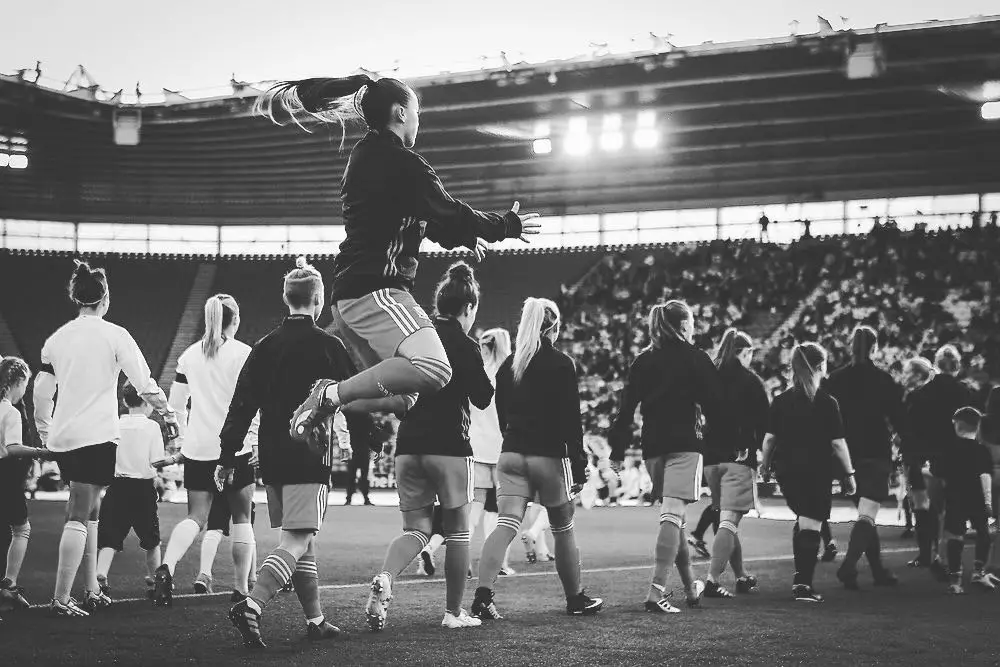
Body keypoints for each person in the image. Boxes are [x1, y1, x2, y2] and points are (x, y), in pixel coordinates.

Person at [252, 75, 540, 446]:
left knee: (405, 398)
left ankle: (327, 406)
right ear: (401, 112)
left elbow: (429, 222)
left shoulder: (367, 156)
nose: (419, 121)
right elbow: (449, 212)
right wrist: (506, 225)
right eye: (417, 112)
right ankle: (329, 395)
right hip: (378, 290)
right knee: (435, 368)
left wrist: (468, 235)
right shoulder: (404, 163)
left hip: (351, 295)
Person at [221, 258, 378, 649]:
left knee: (302, 539)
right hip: (309, 454)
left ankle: (316, 619)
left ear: (286, 299)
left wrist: (227, 453)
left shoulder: (264, 346)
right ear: (319, 300)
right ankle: (252, 605)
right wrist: (366, 439)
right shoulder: (329, 346)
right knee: (296, 539)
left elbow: (241, 404)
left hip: (272, 457)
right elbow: (352, 396)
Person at [33, 260, 178, 617]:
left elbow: (40, 393)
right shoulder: (116, 335)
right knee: (80, 514)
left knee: (91, 512)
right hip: (96, 436)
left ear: (76, 297)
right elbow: (144, 383)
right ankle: (61, 598)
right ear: (105, 298)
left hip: (66, 436)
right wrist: (169, 414)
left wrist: (45, 431)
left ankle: (92, 588)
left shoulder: (57, 339)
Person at [364, 262, 494, 631]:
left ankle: (387, 576)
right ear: (468, 309)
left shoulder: (415, 338)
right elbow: (483, 397)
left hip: (409, 446)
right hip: (450, 447)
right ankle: (454, 613)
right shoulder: (466, 345)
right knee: (458, 533)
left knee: (416, 530)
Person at [473, 298, 603, 619]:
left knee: (505, 525)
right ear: (553, 327)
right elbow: (572, 421)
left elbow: (502, 416)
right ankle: (575, 599)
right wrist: (579, 463)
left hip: (512, 454)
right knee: (562, 528)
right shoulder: (561, 364)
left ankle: (483, 596)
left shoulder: (509, 366)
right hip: (549, 457)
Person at [608, 300, 721, 613]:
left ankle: (690, 589)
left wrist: (617, 450)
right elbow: (716, 405)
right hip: (686, 445)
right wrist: (731, 442)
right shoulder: (696, 358)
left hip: (653, 449)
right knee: (672, 515)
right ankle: (656, 592)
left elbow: (626, 407)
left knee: (677, 520)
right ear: (685, 325)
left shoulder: (643, 361)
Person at [153, 294, 258, 606]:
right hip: (235, 447)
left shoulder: (189, 356)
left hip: (199, 447)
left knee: (196, 516)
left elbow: (175, 407)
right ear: (235, 320)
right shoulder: (244, 354)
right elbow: (254, 405)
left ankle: (167, 567)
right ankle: (241, 589)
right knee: (241, 517)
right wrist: (254, 439)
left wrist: (185, 440)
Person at [761, 342, 856, 603]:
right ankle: (803, 585)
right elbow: (838, 443)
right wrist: (849, 474)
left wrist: (766, 467)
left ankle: (799, 579)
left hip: (787, 471)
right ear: (819, 367)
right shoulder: (826, 402)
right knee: (811, 523)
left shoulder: (781, 400)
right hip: (815, 470)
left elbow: (769, 440)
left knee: (803, 520)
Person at [824, 326, 905, 589]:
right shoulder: (883, 379)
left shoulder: (835, 379)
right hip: (875, 451)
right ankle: (848, 567)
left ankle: (878, 571)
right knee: (867, 515)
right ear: (874, 348)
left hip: (846, 456)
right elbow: (898, 419)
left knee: (864, 513)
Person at [701, 328, 768, 598]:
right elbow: (765, 425)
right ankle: (712, 580)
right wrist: (766, 457)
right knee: (729, 520)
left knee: (727, 520)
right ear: (746, 352)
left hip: (710, 460)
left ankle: (740, 576)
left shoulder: (710, 376)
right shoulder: (750, 381)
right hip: (738, 458)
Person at [902, 346, 971, 579]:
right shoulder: (965, 393)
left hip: (923, 458)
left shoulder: (919, 395)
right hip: (955, 458)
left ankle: (925, 554)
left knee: (923, 507)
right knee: (952, 509)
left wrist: (910, 459)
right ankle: (950, 560)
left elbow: (908, 431)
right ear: (957, 365)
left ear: (937, 363)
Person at [95, 383, 165, 598]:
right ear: (147, 402)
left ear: (125, 401)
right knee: (152, 540)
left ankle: (101, 573)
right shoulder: (151, 427)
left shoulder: (114, 424)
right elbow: (157, 461)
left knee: (109, 538)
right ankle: (155, 582)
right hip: (142, 489)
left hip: (116, 487)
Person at [0, 357, 48, 615]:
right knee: (21, 529)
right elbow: (13, 448)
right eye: (24, 386)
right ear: (16, 382)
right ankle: (9, 585)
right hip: (5, 476)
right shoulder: (10, 411)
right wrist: (41, 451)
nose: (24, 392)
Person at [469, 328, 516, 574]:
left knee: (475, 507)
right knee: (501, 509)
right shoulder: (510, 373)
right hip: (502, 447)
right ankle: (498, 562)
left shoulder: (479, 373)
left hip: (477, 446)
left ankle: (462, 557)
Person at [941, 407, 997, 594]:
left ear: (956, 425)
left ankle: (955, 580)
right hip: (977, 498)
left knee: (955, 536)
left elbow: (938, 473)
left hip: (955, 497)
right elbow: (985, 477)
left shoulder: (948, 448)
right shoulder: (982, 450)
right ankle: (979, 572)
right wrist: (988, 502)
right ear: (978, 426)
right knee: (984, 533)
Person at [341, 412, 373, 506]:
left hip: (353, 448)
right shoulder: (367, 416)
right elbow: (372, 432)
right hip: (363, 448)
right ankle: (365, 498)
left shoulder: (349, 416)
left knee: (351, 475)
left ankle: (349, 498)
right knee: (364, 475)